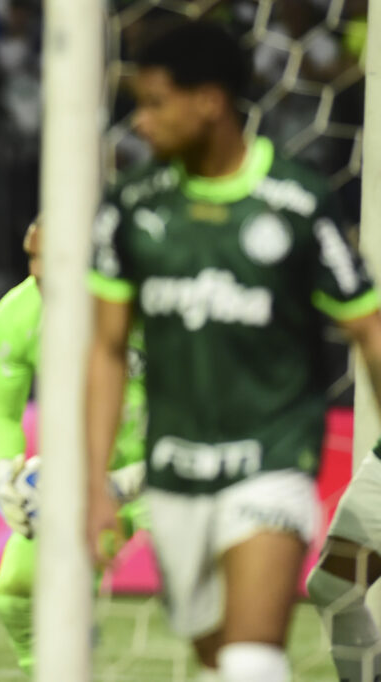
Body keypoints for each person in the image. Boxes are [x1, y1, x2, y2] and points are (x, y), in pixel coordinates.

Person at [84, 20, 381, 682]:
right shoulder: (131, 209)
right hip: (175, 471)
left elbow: (369, 327)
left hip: (272, 459)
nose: (141, 123)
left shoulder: (298, 202)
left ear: (209, 102)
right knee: (216, 660)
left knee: (252, 659)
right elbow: (106, 351)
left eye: (156, 104)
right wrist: (94, 479)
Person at [0, 219, 147, 674]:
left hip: (164, 473)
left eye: (48, 259)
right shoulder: (15, 315)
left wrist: (136, 478)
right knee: (15, 595)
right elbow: (1, 414)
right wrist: (5, 475)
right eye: (30, 257)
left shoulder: (147, 301)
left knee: (198, 602)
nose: (37, 271)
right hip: (79, 482)